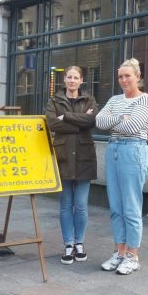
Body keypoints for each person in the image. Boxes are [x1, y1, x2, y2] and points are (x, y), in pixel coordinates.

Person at [95, 58, 148, 275]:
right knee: (116, 207)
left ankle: (132, 256)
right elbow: (99, 122)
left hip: (133, 151)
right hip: (113, 150)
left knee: (131, 206)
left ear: (137, 77)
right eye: (120, 76)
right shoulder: (114, 99)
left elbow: (133, 127)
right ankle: (119, 252)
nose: (124, 80)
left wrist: (114, 120)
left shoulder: (145, 100)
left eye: (128, 75)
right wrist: (121, 116)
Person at [45, 66, 98, 265]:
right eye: (69, 77)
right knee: (66, 204)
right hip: (63, 155)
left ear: (81, 80)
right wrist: (80, 122)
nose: (72, 81)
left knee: (82, 205)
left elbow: (92, 120)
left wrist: (66, 116)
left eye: (76, 77)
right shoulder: (54, 100)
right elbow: (52, 124)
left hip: (84, 156)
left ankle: (79, 243)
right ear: (64, 79)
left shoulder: (89, 99)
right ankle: (68, 244)